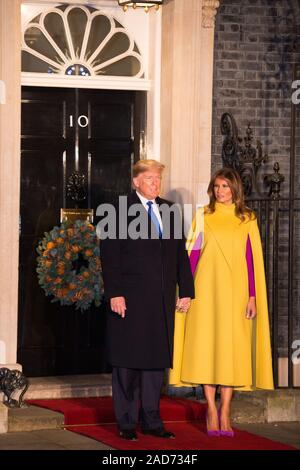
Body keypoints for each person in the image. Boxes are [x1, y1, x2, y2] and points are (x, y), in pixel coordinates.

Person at [169, 167, 274, 437]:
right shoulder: (203, 216)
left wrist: (252, 296)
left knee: (230, 349)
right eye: (217, 186)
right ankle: (211, 409)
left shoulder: (247, 218)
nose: (220, 191)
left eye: (225, 186)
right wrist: (186, 292)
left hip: (236, 293)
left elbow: (251, 261)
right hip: (205, 291)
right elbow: (191, 255)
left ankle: (225, 408)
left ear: (235, 189)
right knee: (207, 347)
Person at [100, 159, 194, 441]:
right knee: (127, 362)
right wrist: (115, 292)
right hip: (129, 299)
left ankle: (152, 420)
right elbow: (110, 256)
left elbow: (180, 255)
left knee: (154, 364)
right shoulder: (118, 210)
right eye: (150, 178)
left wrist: (186, 290)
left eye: (158, 179)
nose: (155, 183)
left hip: (160, 301)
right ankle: (126, 423)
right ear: (136, 181)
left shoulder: (169, 210)